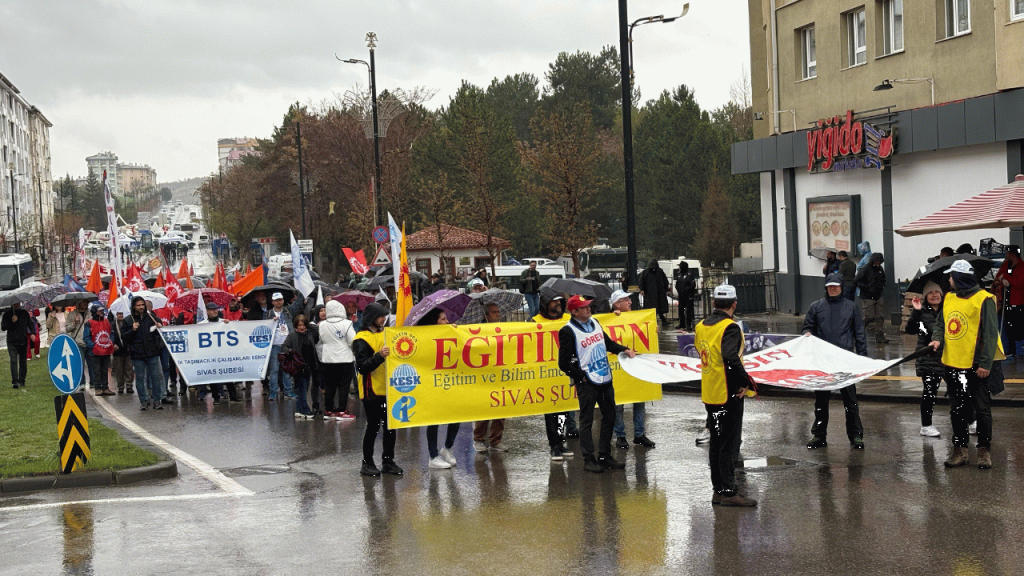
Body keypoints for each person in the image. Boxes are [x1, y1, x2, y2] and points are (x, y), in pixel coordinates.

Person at [930, 259, 1004, 470]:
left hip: (976, 364)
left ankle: (983, 450)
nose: (949, 280)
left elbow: (991, 334)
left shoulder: (984, 299)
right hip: (953, 363)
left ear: (960, 278)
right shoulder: (949, 298)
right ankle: (960, 450)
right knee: (957, 409)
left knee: (982, 410)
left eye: (951, 276)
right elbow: (941, 324)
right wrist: (937, 338)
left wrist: (985, 363)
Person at [557, 295, 636, 473]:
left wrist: (624, 349)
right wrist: (581, 377)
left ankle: (605, 455)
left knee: (609, 417)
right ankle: (589, 459)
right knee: (586, 421)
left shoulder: (595, 323)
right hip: (587, 381)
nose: (588, 309)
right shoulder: (567, 330)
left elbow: (606, 343)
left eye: (588, 306)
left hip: (604, 377)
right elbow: (563, 363)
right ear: (574, 311)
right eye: (583, 307)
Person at [696, 284, 757, 507]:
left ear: (713, 302)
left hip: (710, 390)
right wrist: (746, 382)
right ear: (734, 304)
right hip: (728, 391)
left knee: (716, 444)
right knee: (730, 444)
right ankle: (729, 492)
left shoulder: (701, 325)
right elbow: (730, 357)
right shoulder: (730, 328)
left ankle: (719, 490)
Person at [804, 273, 867, 449]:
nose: (832, 289)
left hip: (844, 361)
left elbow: (859, 332)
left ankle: (856, 436)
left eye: (835, 286)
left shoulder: (852, 307)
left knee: (850, 401)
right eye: (829, 286)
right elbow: (807, 328)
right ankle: (819, 435)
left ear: (841, 287)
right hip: (822, 362)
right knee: (821, 401)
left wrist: (862, 357)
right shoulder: (815, 307)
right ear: (825, 287)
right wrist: (806, 334)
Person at [353, 303, 403, 477]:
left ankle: (388, 461)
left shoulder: (387, 334)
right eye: (381, 315)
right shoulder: (361, 339)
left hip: (389, 389)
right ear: (372, 317)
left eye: (385, 315)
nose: (384, 319)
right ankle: (367, 462)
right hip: (371, 390)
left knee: (390, 427)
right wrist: (379, 356)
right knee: (373, 426)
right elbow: (362, 367)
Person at [608, 290, 655, 449]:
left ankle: (639, 434)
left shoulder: (638, 320)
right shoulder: (609, 320)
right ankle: (620, 435)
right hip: (618, 368)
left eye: (629, 299)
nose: (630, 302)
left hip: (635, 365)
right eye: (626, 299)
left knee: (640, 400)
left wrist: (653, 332)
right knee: (619, 404)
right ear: (617, 304)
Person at [418, 308, 462, 469]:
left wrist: (456, 333)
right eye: (442, 319)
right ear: (434, 322)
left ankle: (447, 448)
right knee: (434, 419)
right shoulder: (425, 337)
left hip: (449, 381)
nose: (446, 322)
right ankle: (432, 455)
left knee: (456, 416)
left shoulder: (450, 332)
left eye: (446, 319)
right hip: (433, 382)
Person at [532, 294, 580, 442]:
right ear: (546, 303)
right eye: (554, 301)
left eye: (559, 301)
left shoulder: (569, 319)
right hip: (546, 372)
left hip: (566, 369)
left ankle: (566, 433)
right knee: (551, 410)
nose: (558, 303)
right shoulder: (533, 322)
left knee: (567, 403)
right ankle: (556, 443)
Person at [905, 281, 946, 437]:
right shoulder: (921, 311)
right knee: (930, 393)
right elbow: (910, 330)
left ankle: (971, 421)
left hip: (947, 357)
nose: (934, 295)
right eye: (930, 293)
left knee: (959, 391)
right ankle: (926, 425)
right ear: (925, 296)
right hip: (928, 358)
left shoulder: (948, 310)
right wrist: (916, 311)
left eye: (937, 292)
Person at [473, 302, 507, 454]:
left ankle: (496, 440)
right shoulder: (477, 331)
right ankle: (479, 439)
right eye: (494, 312)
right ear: (486, 315)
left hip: (500, 373)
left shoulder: (504, 329)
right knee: (484, 407)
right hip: (484, 374)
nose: (498, 314)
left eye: (498, 311)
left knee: (501, 407)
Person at [121, 296, 166, 410]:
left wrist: (159, 327)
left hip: (152, 352)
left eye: (142, 305)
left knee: (155, 377)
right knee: (140, 378)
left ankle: (157, 400)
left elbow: (158, 335)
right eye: (138, 305)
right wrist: (132, 329)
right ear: (133, 306)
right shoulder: (128, 320)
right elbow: (124, 337)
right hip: (137, 354)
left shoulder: (151, 317)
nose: (141, 307)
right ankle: (144, 401)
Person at [317, 300, 358, 420]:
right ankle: (341, 410)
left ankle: (329, 410)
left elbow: (320, 341)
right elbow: (352, 340)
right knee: (344, 385)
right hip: (345, 358)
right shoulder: (347, 323)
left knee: (330, 385)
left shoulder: (322, 324)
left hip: (328, 359)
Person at [281, 314, 319, 418]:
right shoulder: (292, 335)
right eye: (299, 325)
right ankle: (305, 411)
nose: (301, 327)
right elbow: (284, 346)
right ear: (296, 326)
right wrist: (290, 353)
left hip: (309, 366)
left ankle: (298, 410)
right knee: (302, 389)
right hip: (298, 367)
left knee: (304, 388)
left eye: (303, 325)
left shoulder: (309, 333)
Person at [994, 245, 1024, 353]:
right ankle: (1009, 350)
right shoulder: (1006, 264)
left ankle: (1019, 351)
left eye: (1007, 253)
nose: (1006, 255)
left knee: (1018, 327)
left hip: (1017, 301)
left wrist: (1006, 277)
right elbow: (998, 276)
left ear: (1012, 254)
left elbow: (1019, 283)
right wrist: (1002, 280)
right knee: (1008, 326)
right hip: (1005, 300)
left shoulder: (1022, 266)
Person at [266, 292, 295, 401]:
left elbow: (298, 304)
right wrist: (270, 322)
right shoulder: (268, 314)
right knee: (274, 370)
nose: (279, 302)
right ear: (273, 302)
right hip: (274, 345)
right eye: (276, 300)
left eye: (280, 300)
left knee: (287, 369)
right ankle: (273, 392)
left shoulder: (287, 311)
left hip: (286, 345)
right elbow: (264, 326)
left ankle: (288, 391)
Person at [83, 304, 116, 396]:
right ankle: (98, 388)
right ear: (95, 312)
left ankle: (105, 387)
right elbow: (86, 337)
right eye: (99, 311)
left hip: (106, 350)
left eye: (102, 311)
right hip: (95, 352)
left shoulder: (106, 321)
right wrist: (93, 346)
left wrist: (111, 342)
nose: (101, 312)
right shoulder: (89, 323)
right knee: (96, 370)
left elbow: (112, 333)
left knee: (105, 370)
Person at [855, 252, 888, 343]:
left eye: (880, 262)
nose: (878, 264)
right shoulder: (865, 269)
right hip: (867, 297)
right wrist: (866, 288)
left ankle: (880, 337)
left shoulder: (880, 269)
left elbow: (884, 279)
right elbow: (857, 280)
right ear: (873, 261)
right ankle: (857, 334)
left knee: (880, 317)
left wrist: (882, 286)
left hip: (878, 296)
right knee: (869, 317)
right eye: (876, 262)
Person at [2, 302, 30, 389]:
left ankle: (22, 380)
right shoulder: (7, 314)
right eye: (14, 304)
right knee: (13, 361)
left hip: (22, 341)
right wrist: (12, 321)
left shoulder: (24, 313)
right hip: (12, 342)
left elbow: (29, 324)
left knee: (23, 362)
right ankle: (15, 381)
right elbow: (3, 327)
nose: (16, 305)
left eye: (18, 303)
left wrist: (33, 332)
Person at [65, 300, 91, 386]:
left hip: (90, 342)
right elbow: (67, 329)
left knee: (92, 364)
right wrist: (74, 323)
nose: (85, 304)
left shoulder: (90, 314)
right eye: (83, 302)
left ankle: (94, 383)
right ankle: (82, 383)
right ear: (78, 303)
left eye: (86, 302)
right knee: (80, 364)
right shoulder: (72, 314)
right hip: (78, 342)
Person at [638, 259, 669, 325]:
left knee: (651, 308)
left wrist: (642, 289)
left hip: (650, 294)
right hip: (659, 293)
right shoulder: (659, 271)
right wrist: (666, 288)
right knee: (660, 308)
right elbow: (665, 281)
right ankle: (663, 320)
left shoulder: (645, 272)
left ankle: (654, 321)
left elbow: (641, 282)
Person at [109, 310, 134, 394]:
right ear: (116, 314)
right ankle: (120, 386)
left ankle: (129, 385)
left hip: (127, 349)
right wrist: (113, 344)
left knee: (129, 368)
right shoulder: (112, 325)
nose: (120, 315)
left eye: (122, 314)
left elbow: (131, 335)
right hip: (117, 350)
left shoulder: (129, 323)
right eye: (119, 314)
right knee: (119, 369)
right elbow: (110, 335)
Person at [675, 263, 697, 330]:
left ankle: (688, 325)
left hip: (688, 296)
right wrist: (679, 290)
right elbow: (677, 284)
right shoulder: (679, 274)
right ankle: (682, 324)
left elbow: (692, 285)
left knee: (689, 311)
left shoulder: (689, 275)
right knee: (681, 310)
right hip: (681, 296)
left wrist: (685, 290)